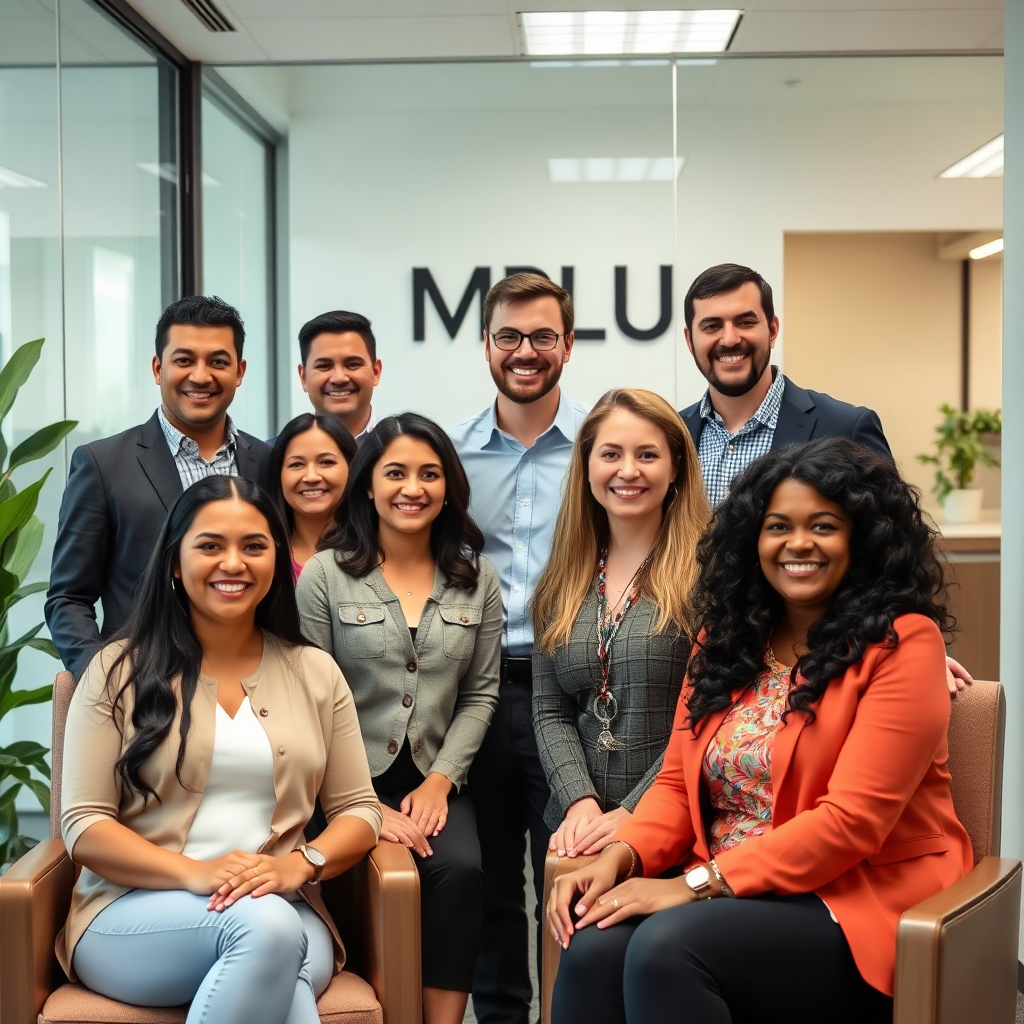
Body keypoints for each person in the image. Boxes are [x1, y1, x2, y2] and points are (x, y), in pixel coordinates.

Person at [547, 437, 974, 1024]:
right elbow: (675, 784)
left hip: (853, 897)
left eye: (823, 526)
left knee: (667, 947)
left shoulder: (902, 643)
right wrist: (622, 855)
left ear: (863, 539)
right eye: (778, 527)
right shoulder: (726, 639)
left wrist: (693, 885)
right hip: (728, 889)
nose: (798, 543)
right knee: (593, 942)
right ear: (752, 540)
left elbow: (852, 822)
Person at [57, 476, 382, 1024]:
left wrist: (300, 865)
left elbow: (360, 811)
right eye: (210, 545)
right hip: (129, 914)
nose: (234, 563)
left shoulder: (315, 672)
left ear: (276, 561)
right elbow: (84, 825)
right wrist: (195, 872)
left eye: (254, 546)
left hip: (285, 907)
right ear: (174, 562)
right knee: (274, 945)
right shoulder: (117, 670)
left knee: (275, 940)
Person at [296, 413, 502, 1024]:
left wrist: (441, 781)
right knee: (364, 874)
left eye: (429, 474)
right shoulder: (326, 576)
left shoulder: (477, 578)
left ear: (448, 486)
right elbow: (308, 699)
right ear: (367, 484)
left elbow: (481, 694)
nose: (413, 488)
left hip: (433, 779)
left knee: (460, 870)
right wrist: (361, 805)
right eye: (395, 474)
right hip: (340, 781)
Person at [448, 272, 588, 1024]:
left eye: (542, 336)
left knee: (569, 870)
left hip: (573, 692)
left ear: (567, 343)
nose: (525, 351)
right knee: (491, 879)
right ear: (486, 345)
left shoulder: (600, 448)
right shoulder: (451, 456)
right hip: (475, 690)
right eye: (509, 336)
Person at [45, 295, 273, 679]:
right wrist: (106, 680)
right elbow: (68, 598)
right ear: (157, 368)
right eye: (184, 360)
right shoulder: (103, 464)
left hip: (251, 683)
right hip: (147, 688)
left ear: (240, 371)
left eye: (218, 362)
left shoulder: (267, 462)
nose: (200, 376)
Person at [532, 388, 708, 861]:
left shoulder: (710, 577)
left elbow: (709, 714)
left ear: (675, 468)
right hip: (577, 829)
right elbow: (550, 711)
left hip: (678, 826)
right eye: (611, 454)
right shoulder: (561, 581)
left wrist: (637, 809)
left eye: (647, 455)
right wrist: (579, 802)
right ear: (587, 466)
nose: (628, 470)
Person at [678, 263, 891, 507]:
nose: (729, 339)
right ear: (690, 340)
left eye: (745, 322)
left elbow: (891, 529)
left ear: (772, 330)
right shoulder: (672, 435)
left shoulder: (846, 428)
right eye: (711, 326)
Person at [269, 413, 358, 581]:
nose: (311, 477)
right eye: (297, 464)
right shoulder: (264, 557)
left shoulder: (377, 552)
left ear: (352, 468)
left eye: (326, 462)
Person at [296, 310, 382, 443]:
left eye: (353, 364)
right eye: (324, 366)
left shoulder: (406, 450)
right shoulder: (276, 453)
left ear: (376, 372)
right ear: (303, 377)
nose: (339, 378)